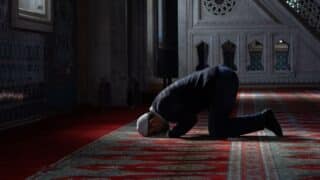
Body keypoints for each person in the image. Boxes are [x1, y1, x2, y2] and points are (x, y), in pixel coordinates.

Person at [136, 65, 283, 138]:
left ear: (152, 122)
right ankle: (263, 120)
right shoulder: (160, 103)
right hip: (222, 79)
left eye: (155, 130)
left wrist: (172, 134)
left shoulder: (162, 107)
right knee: (219, 126)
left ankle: (264, 119)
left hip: (220, 83)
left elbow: (190, 120)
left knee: (217, 130)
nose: (160, 130)